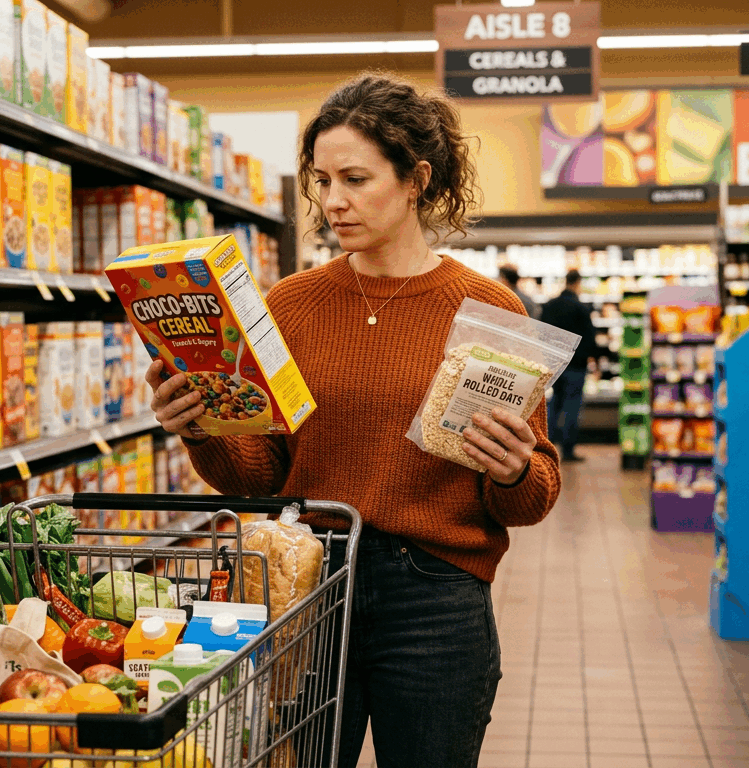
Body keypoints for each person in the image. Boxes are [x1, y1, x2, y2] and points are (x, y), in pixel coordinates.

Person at [146, 73, 561, 768]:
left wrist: (515, 469)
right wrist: (201, 426)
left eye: (355, 179)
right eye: (322, 180)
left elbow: (532, 496)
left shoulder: (489, 311)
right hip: (306, 584)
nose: (333, 200)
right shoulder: (290, 304)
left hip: (436, 598)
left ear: (416, 180)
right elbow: (262, 477)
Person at [537, 268, 597, 462]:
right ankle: (568, 450)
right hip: (576, 366)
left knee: (553, 404)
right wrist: (592, 358)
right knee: (572, 406)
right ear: (577, 283)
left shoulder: (550, 305)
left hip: (554, 364)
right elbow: (589, 337)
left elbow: (542, 333)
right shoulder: (580, 307)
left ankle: (547, 447)